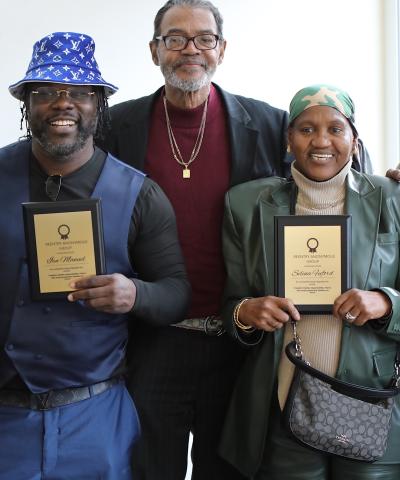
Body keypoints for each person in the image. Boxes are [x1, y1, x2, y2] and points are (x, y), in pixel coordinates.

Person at [99, 2, 373, 479]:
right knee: (147, 469)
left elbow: (334, 169)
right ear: (154, 50)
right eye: (175, 38)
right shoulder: (117, 127)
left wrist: (388, 180)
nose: (191, 49)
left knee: (230, 471)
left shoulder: (266, 125)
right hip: (152, 339)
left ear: (222, 49)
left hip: (242, 342)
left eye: (205, 38)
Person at [0, 31, 190, 480]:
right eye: (45, 92)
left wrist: (135, 295)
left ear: (97, 105)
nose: (63, 103)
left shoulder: (141, 193)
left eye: (80, 93)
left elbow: (176, 292)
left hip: (96, 416)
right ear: (27, 103)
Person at [218, 84, 400, 479]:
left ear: (354, 141)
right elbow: (231, 303)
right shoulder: (246, 205)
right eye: (306, 129)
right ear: (288, 141)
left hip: (371, 402)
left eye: (335, 129)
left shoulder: (392, 197)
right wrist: (246, 312)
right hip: (285, 403)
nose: (321, 141)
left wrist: (386, 304)